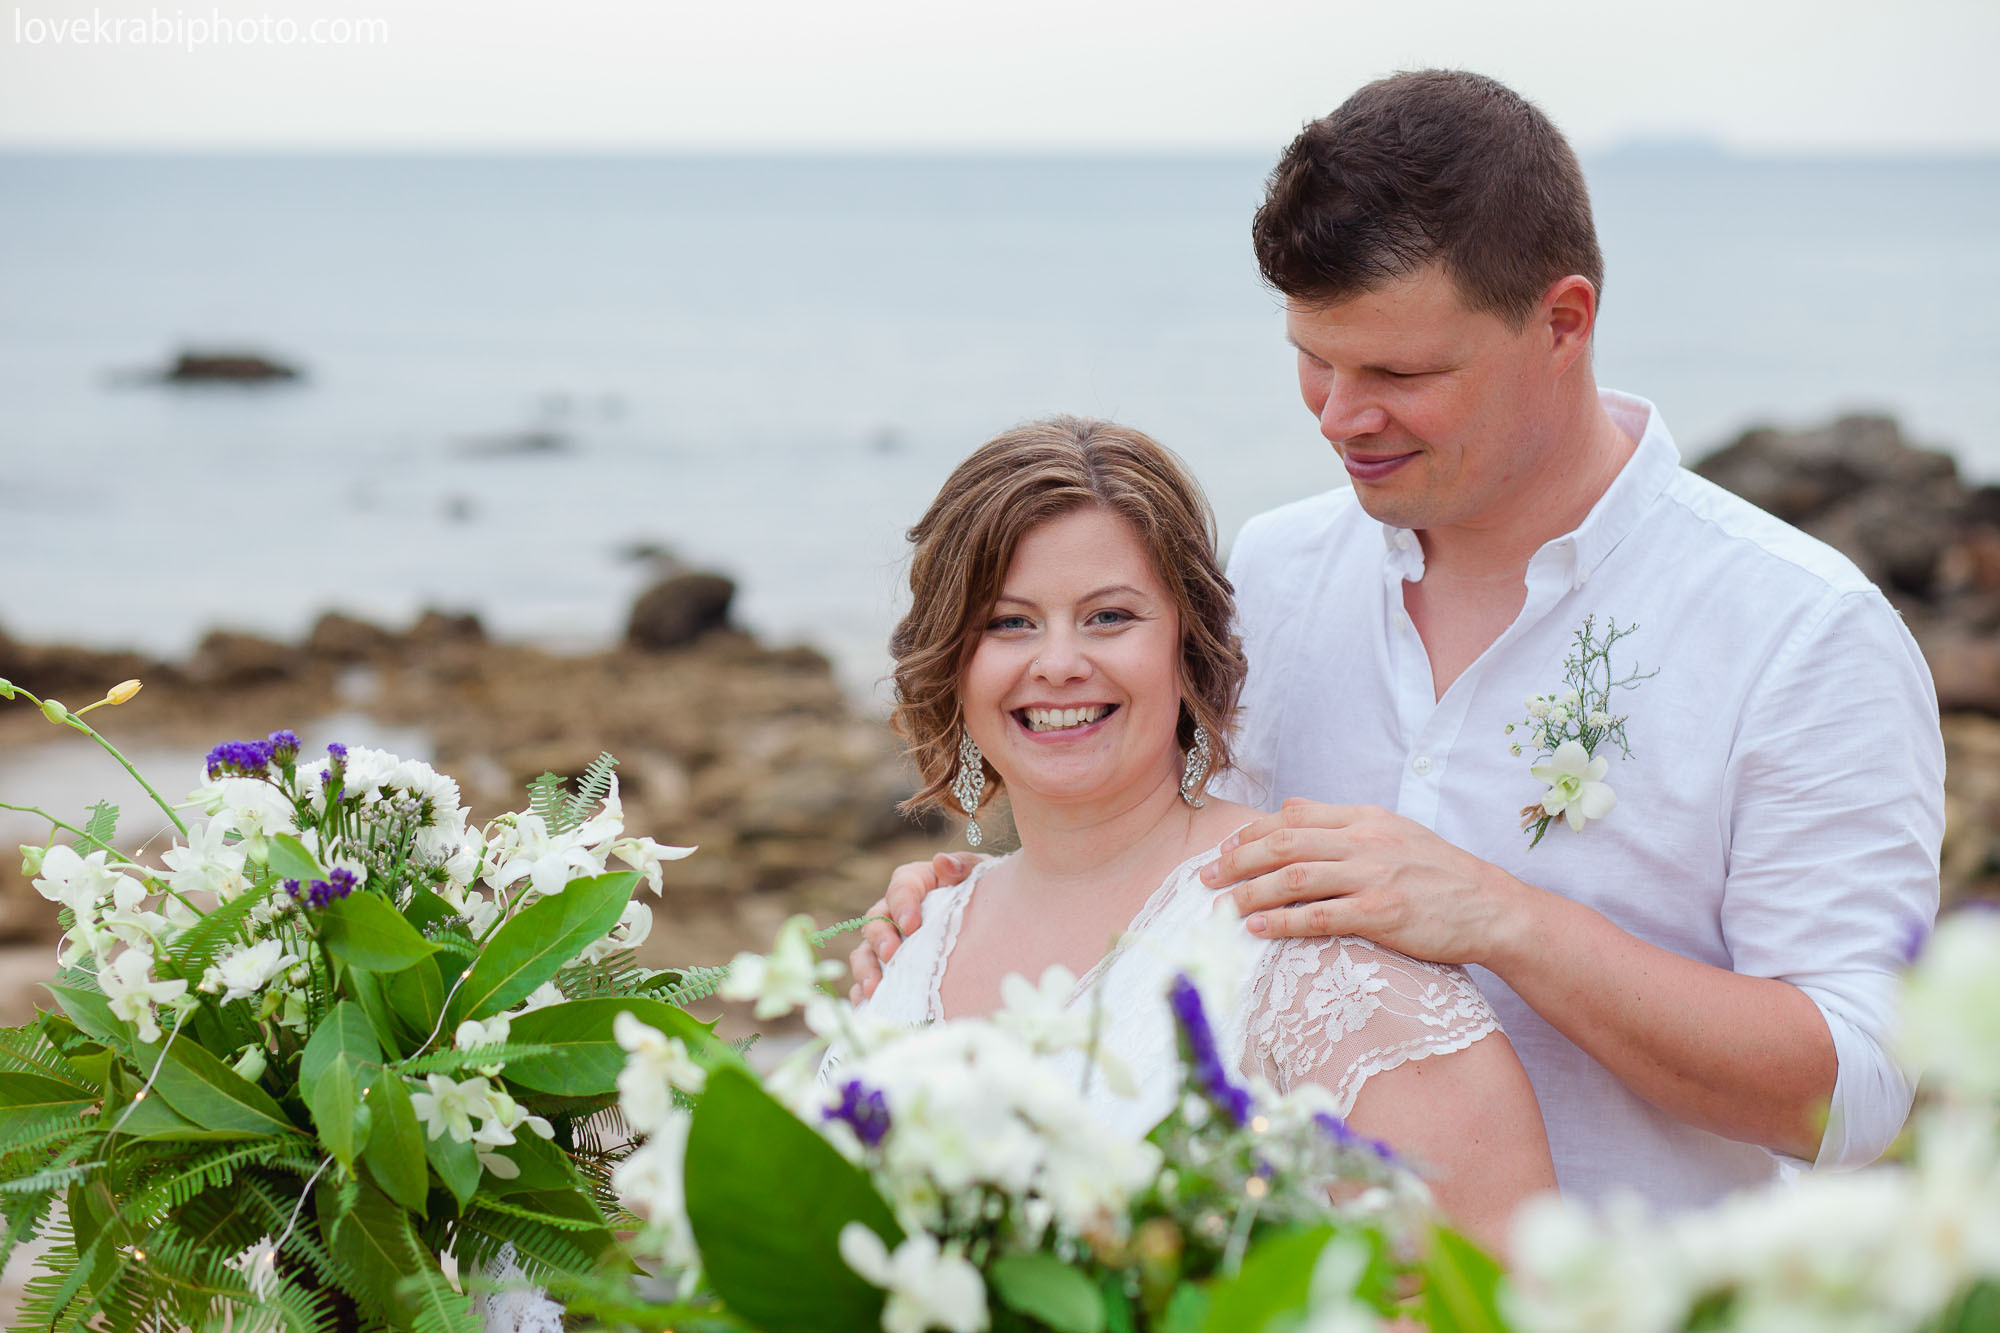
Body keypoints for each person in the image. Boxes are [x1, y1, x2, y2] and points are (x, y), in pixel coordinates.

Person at [851, 70, 1945, 1213]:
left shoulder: (1799, 633)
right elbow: (1164, 878)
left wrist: (1503, 919)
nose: (1337, 416)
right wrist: (975, 916)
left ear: (1560, 322)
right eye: (1314, 358)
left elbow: (1860, 1092)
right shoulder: (1269, 577)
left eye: (1398, 374)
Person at [852, 415, 1555, 1251]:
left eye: (1109, 617)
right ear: (951, 660)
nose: (1059, 662)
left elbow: (1497, 1283)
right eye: (1009, 623)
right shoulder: (916, 937)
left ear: (1188, 646)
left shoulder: (1309, 933)